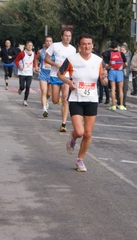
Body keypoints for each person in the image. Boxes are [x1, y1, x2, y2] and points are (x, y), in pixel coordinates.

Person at [57, 33, 108, 172]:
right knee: (79, 132)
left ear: (92, 45)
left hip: (91, 99)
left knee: (88, 134)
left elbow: (104, 81)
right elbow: (60, 74)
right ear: (79, 46)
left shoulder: (99, 61)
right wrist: (69, 82)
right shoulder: (72, 59)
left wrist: (104, 78)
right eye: (84, 44)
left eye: (89, 44)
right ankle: (73, 138)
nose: (86, 46)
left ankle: (80, 160)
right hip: (76, 99)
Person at [45, 30, 76, 132]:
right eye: (66, 36)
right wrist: (55, 64)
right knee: (54, 100)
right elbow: (46, 59)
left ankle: (63, 124)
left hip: (66, 76)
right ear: (62, 36)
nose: (67, 38)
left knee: (65, 99)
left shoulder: (73, 49)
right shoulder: (55, 46)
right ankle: (56, 100)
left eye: (69, 36)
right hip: (55, 75)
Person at [104, 41, 127, 110]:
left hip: (112, 71)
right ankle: (121, 105)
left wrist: (109, 66)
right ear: (117, 46)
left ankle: (113, 105)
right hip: (119, 72)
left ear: (111, 47)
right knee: (120, 89)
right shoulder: (121, 54)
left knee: (113, 89)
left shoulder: (108, 53)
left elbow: (106, 65)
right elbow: (126, 64)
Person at [35, 36, 54, 117]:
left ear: (52, 42)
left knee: (49, 93)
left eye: (50, 41)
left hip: (52, 74)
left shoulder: (55, 52)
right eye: (47, 41)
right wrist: (36, 66)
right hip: (43, 73)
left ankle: (47, 100)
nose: (48, 42)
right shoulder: (40, 51)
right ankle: (44, 109)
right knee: (44, 91)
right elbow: (36, 58)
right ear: (44, 42)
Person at [14, 41, 36, 106]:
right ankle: (20, 89)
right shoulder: (22, 53)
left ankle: (25, 100)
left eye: (31, 45)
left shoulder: (34, 54)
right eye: (28, 45)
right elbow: (16, 60)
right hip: (22, 72)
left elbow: (34, 62)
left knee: (28, 86)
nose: (29, 46)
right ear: (25, 46)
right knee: (22, 86)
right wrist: (19, 66)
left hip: (29, 73)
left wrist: (34, 67)